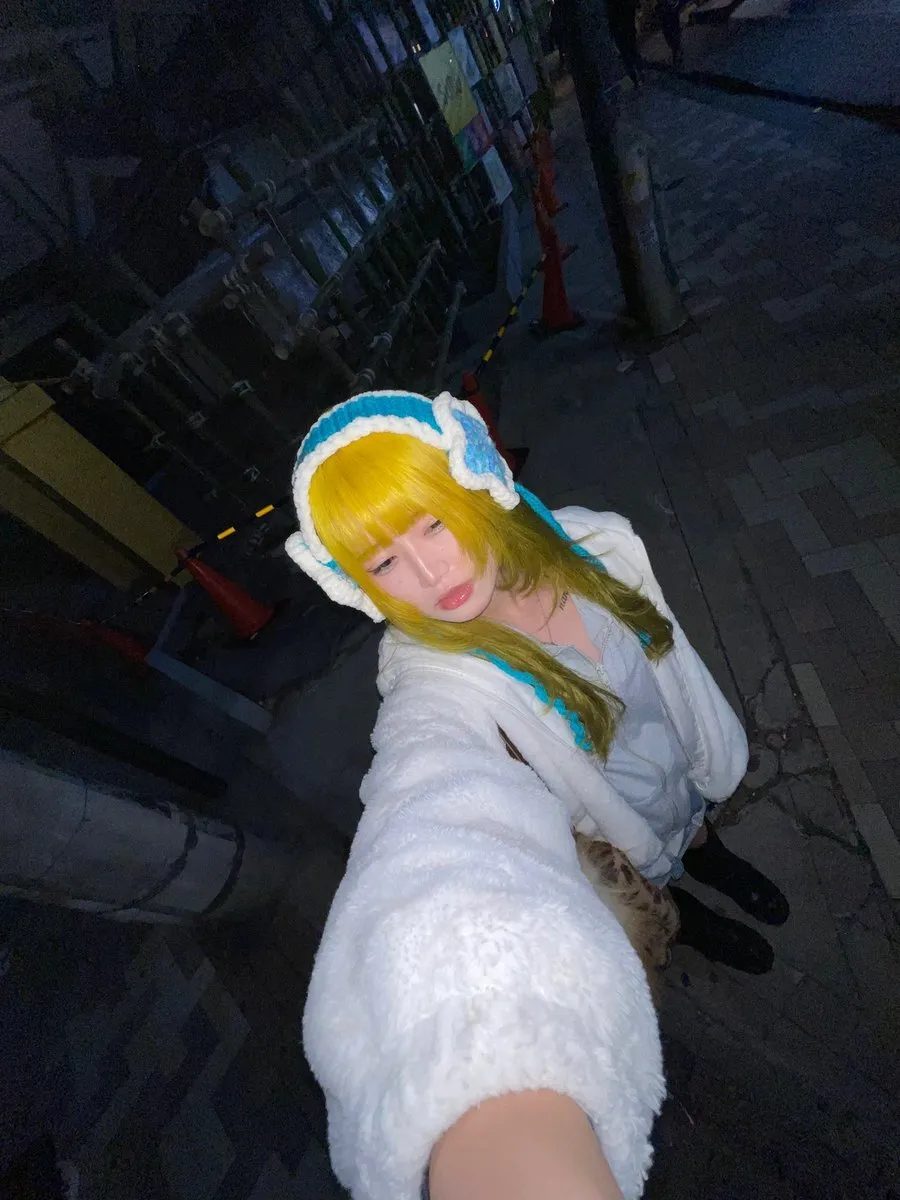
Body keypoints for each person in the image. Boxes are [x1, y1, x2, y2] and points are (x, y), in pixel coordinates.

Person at [286, 389, 789, 1200]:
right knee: (659, 885)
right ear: (357, 585)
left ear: (478, 483)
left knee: (699, 832)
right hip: (626, 833)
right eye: (382, 563)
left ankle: (717, 861)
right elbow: (425, 803)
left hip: (680, 775)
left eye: (432, 522)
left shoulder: (593, 544)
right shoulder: (433, 680)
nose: (428, 574)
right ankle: (695, 921)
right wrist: (475, 1074)